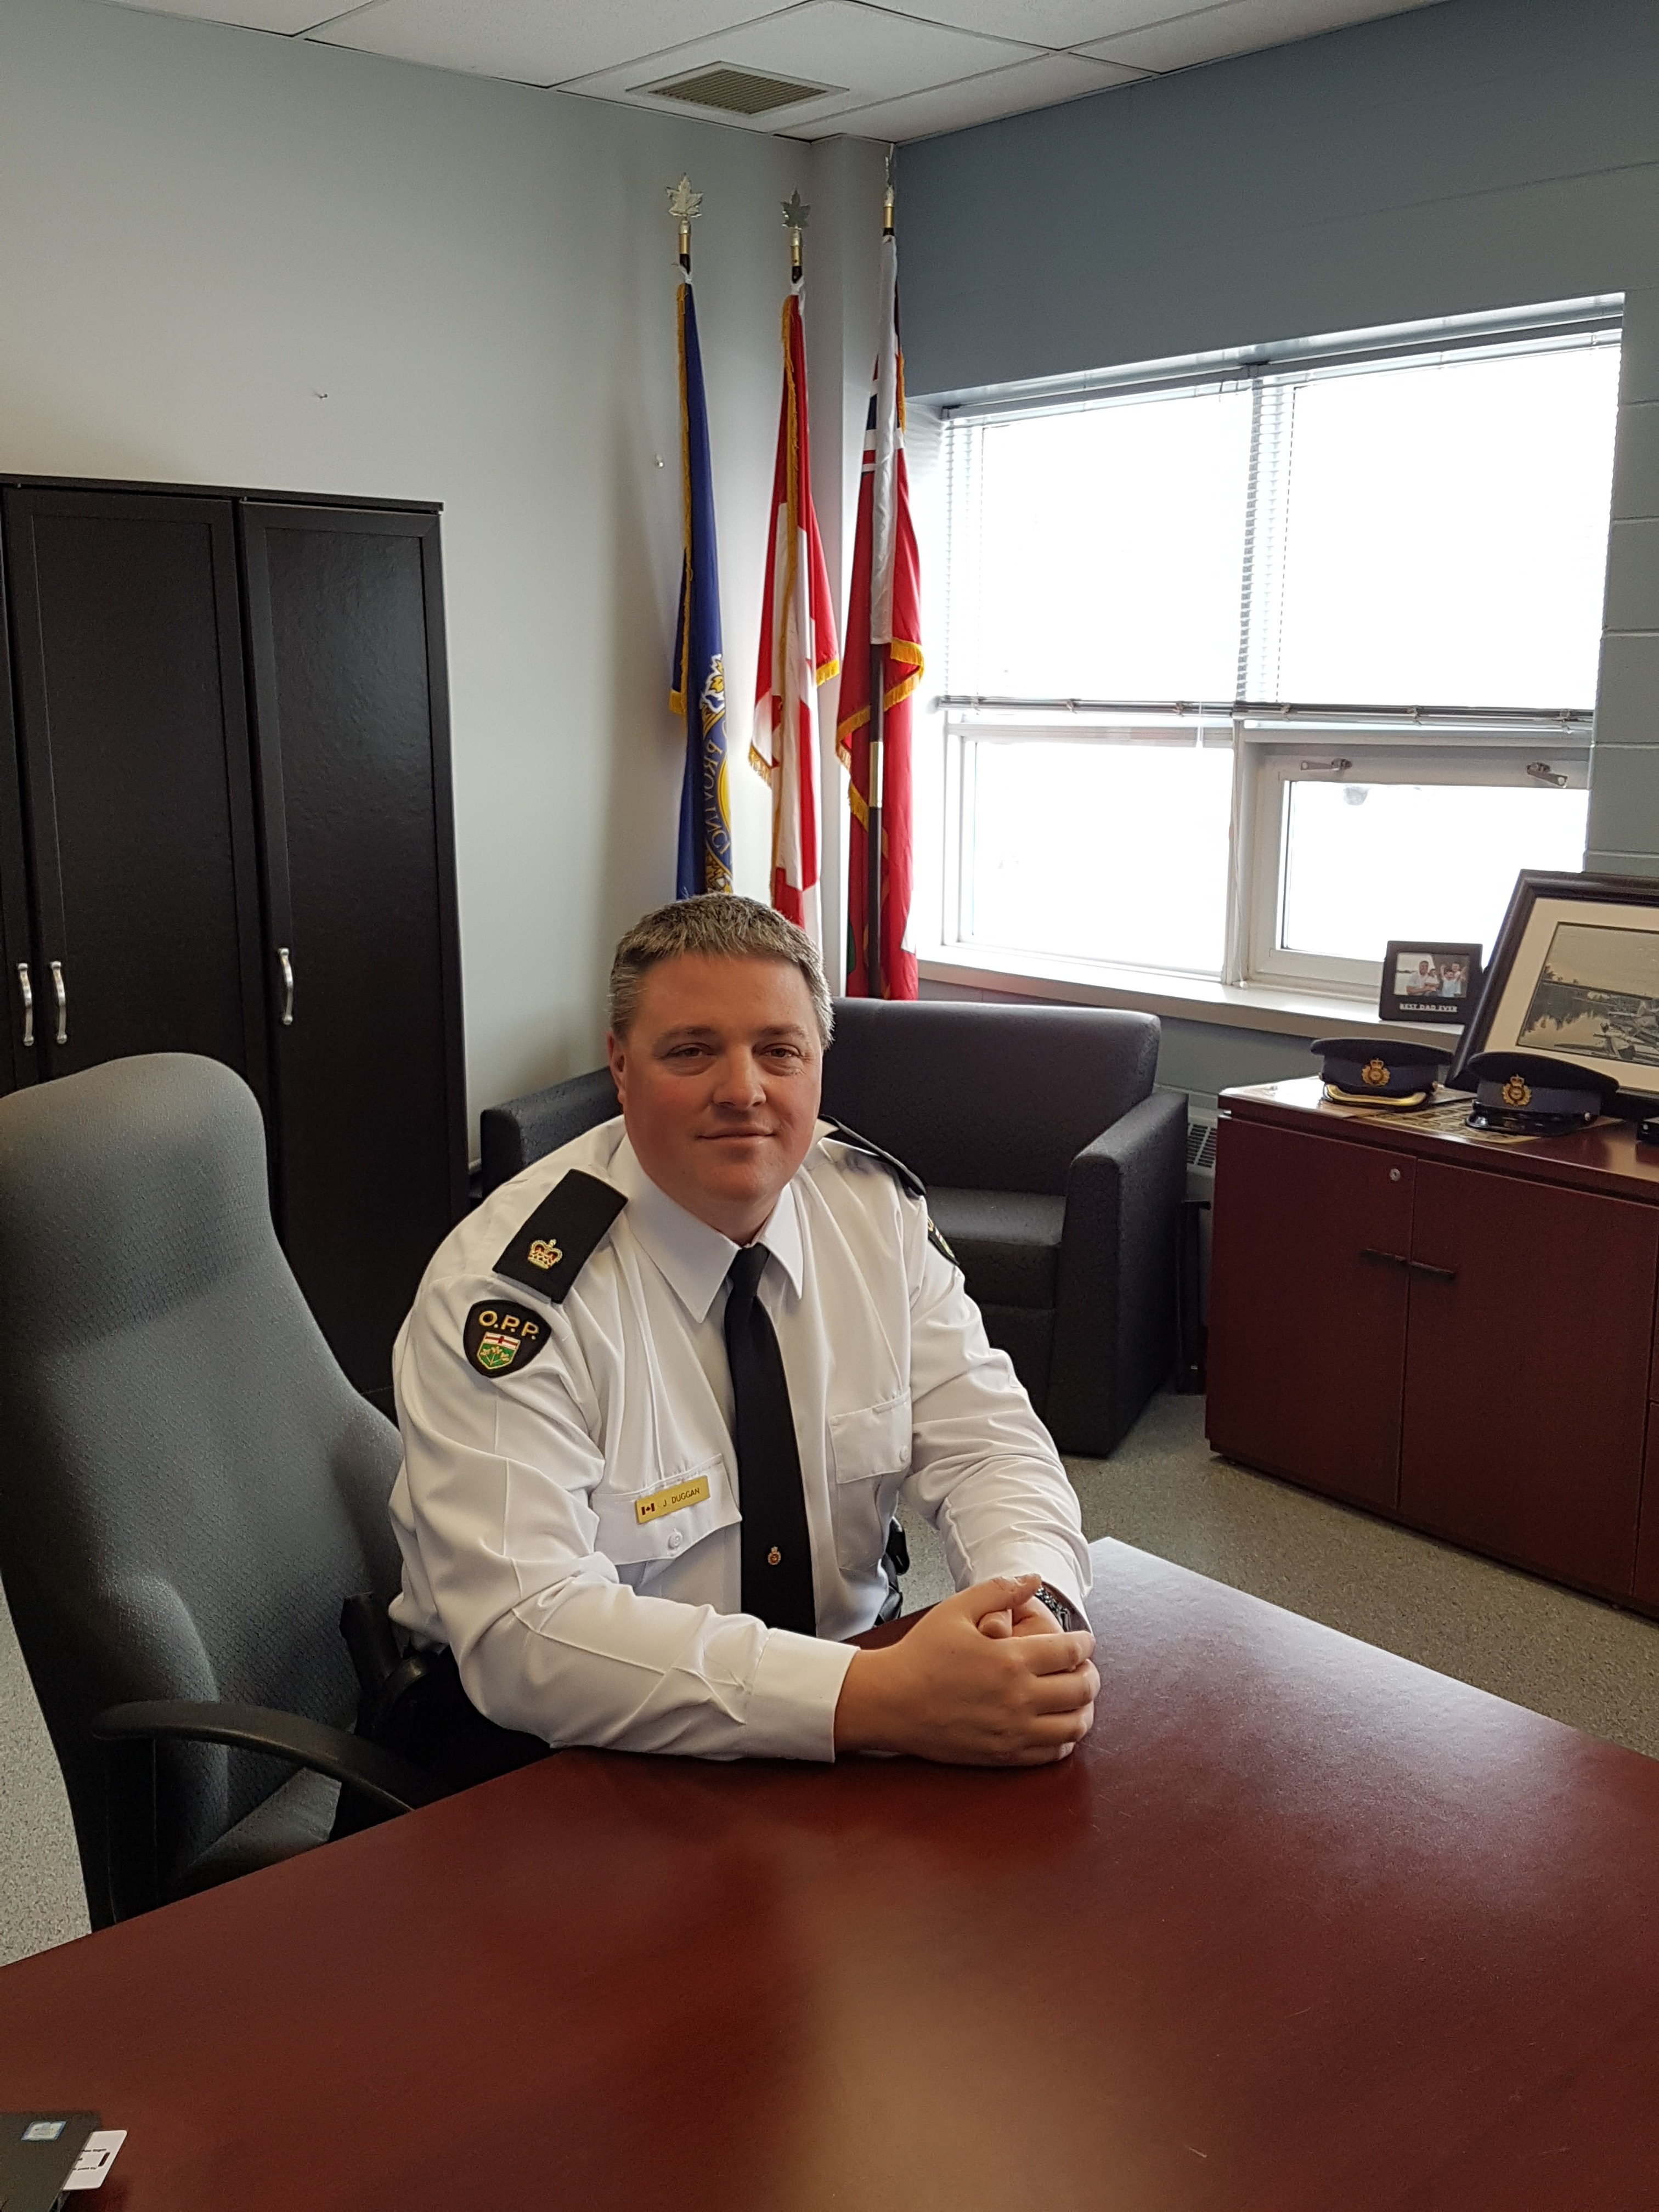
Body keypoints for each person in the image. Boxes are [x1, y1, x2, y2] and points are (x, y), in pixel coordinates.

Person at [386, 895, 1097, 1775]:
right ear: (619, 1066)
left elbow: (992, 1446)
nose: (743, 1090)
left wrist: (1028, 1606)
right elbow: (525, 1627)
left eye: (779, 1051)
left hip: (866, 1707)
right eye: (691, 1051)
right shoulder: (510, 1295)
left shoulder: (874, 1215)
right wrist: (870, 1699)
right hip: (571, 1753)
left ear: (819, 1065)